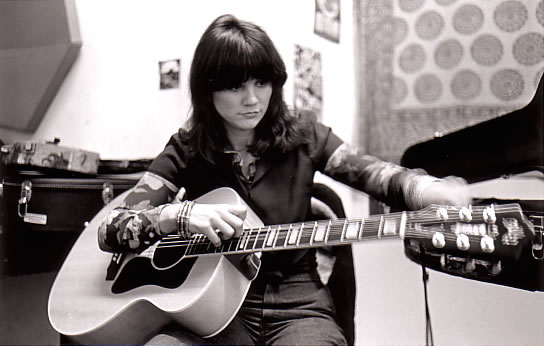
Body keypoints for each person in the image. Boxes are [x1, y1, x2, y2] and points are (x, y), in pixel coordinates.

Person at [97, 14, 470, 345]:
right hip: (212, 306)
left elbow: (372, 172)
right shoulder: (187, 147)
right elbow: (112, 227)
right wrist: (178, 216)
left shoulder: (305, 133)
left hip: (298, 300)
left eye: (262, 83)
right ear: (207, 89)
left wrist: (423, 189)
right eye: (234, 86)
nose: (252, 99)